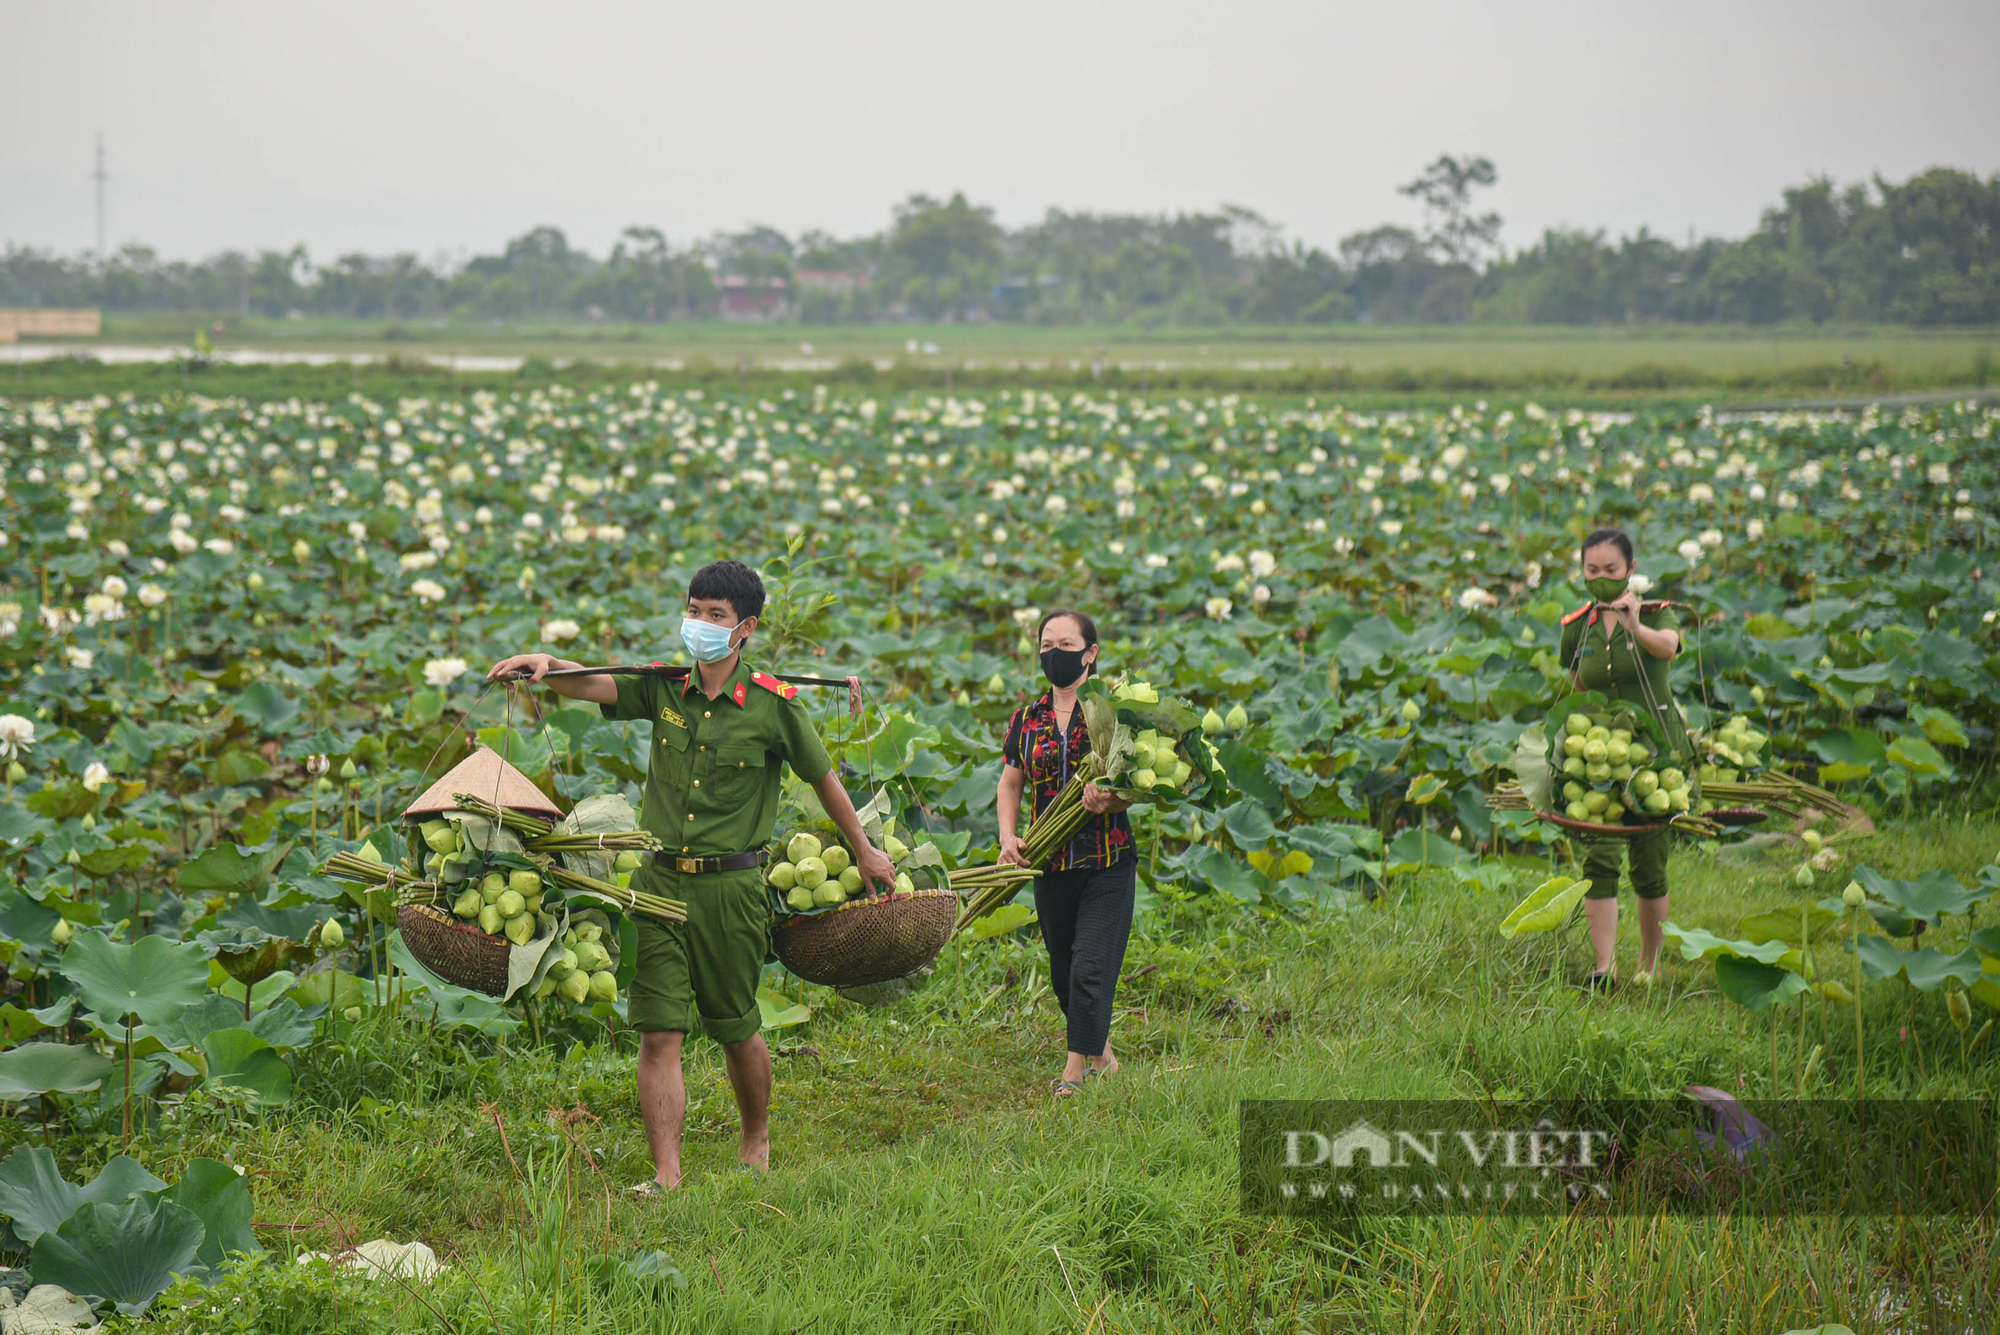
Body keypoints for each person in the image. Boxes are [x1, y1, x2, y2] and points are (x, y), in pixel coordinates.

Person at [488, 559, 893, 1191]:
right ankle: (666, 1176)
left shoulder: (773, 706)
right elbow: (590, 685)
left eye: (715, 615)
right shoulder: (663, 687)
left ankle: (755, 1136)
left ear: (745, 628)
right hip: (658, 884)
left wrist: (864, 851)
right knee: (658, 1033)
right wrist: (545, 661)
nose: (698, 624)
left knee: (735, 1028)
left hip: (730, 889)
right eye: (693, 609)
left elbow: (824, 779)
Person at [997, 610, 1137, 1097]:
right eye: (1046, 644)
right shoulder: (1027, 719)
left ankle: (1073, 1072)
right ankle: (1105, 1057)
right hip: (1049, 861)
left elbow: (1134, 786)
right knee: (1063, 972)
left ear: (1091, 653)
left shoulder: (1115, 714)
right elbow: (1011, 781)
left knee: (1088, 967)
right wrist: (1008, 837)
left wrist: (1113, 797)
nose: (1055, 652)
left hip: (1107, 861)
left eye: (1066, 643)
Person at [1557, 528, 1689, 992]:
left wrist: (1635, 626)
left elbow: (1668, 649)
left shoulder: (1657, 612)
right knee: (1599, 856)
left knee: (1649, 859)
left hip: (1654, 753)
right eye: (1591, 570)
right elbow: (1576, 684)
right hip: (1600, 755)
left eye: (1610, 570)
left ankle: (1649, 966)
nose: (1600, 578)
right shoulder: (1576, 626)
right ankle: (1603, 967)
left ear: (1630, 570)